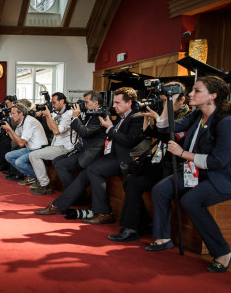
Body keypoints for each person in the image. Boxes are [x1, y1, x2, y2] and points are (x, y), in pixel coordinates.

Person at [147, 76, 231, 273]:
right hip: (196, 172)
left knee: (191, 201)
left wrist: (183, 153)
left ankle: (222, 252)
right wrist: (168, 100)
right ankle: (164, 238)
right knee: (160, 190)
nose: (190, 94)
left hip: (222, 177)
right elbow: (165, 128)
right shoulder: (196, 115)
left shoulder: (225, 122)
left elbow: (218, 162)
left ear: (213, 96)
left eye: (196, 91)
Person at [36, 87, 144, 222]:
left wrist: (109, 128)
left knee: (91, 170)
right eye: (114, 102)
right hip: (109, 155)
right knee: (84, 171)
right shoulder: (118, 117)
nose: (114, 105)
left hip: (124, 159)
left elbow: (128, 141)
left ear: (129, 103)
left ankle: (102, 213)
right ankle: (59, 205)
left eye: (117, 103)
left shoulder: (136, 117)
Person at [108, 87, 190, 242]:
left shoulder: (186, 117)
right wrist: (147, 118)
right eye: (164, 100)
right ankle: (144, 223)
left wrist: (159, 119)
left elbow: (169, 136)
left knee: (133, 184)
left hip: (176, 166)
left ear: (182, 99)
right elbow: (151, 134)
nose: (166, 104)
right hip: (161, 162)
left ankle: (131, 228)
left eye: (169, 101)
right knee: (130, 182)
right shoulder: (169, 113)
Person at [51, 91, 106, 190]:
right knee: (56, 161)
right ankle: (73, 190)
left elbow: (85, 132)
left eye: (86, 102)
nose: (84, 105)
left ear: (96, 103)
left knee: (61, 165)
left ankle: (76, 193)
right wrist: (78, 116)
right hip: (81, 149)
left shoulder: (100, 116)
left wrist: (75, 117)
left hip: (90, 153)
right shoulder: (89, 114)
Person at [27, 92, 75, 194]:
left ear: (62, 101)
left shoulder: (69, 114)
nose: (52, 105)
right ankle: (43, 183)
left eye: (54, 102)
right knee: (34, 155)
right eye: (52, 103)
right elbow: (51, 128)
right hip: (57, 145)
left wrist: (49, 115)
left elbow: (56, 131)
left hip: (66, 147)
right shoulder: (58, 113)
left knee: (34, 155)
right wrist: (48, 116)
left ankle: (45, 185)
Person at [1, 104, 48, 181]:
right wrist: (9, 130)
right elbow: (14, 139)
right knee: (8, 156)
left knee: (19, 162)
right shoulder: (20, 122)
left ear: (21, 113)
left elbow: (21, 143)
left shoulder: (29, 121)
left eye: (13, 113)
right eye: (11, 113)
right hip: (30, 149)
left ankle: (37, 178)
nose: (11, 116)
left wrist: (10, 129)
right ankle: (30, 176)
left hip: (39, 149)